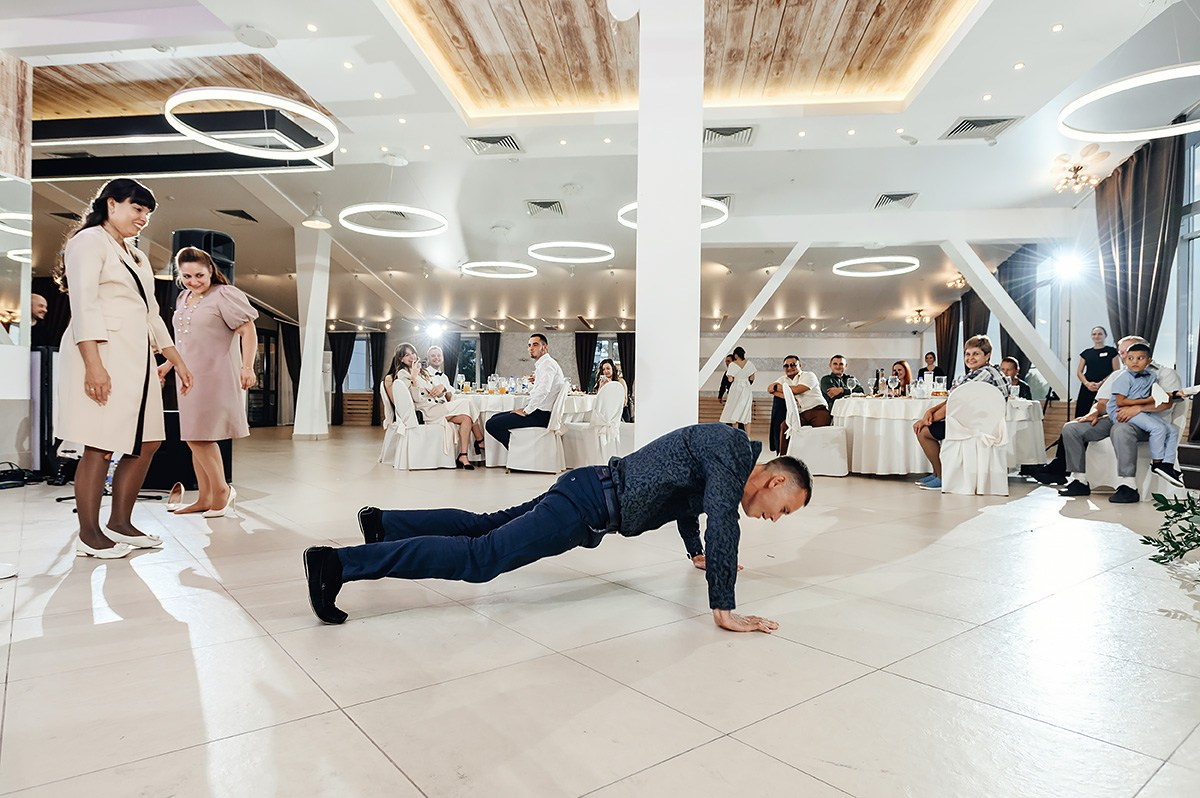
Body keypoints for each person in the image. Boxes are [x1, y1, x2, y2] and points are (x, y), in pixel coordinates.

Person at [304, 423, 812, 632]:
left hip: (588, 490)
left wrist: (694, 554)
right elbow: (722, 516)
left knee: (484, 528)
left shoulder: (726, 459)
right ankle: (337, 563)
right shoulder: (730, 451)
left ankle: (382, 525)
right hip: (586, 504)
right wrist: (723, 605)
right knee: (481, 560)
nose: (776, 519)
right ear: (773, 481)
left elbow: (691, 504)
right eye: (785, 509)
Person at [53, 178, 193, 558]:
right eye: (137, 208)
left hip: (138, 359)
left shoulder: (136, 255)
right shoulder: (87, 242)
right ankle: (89, 534)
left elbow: (150, 310)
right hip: (102, 353)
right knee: (98, 444)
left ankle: (120, 522)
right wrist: (93, 365)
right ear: (111, 204)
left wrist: (175, 357)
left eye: (147, 212)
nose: (143, 218)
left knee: (148, 440)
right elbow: (84, 305)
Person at [157, 246, 257, 516]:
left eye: (199, 275)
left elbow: (248, 331)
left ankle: (221, 491)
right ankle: (204, 496)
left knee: (199, 437)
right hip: (187, 377)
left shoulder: (224, 295)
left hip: (215, 374)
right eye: (187, 276)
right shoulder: (183, 297)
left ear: (211, 270)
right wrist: (167, 366)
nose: (193, 281)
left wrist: (248, 366)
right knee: (193, 434)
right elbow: (184, 342)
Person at [1056, 335, 1183, 500]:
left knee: (1121, 428)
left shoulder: (1165, 374)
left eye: (1128, 352)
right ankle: (1079, 481)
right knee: (1072, 428)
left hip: (1149, 424)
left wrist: (1137, 408)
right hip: (1115, 417)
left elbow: (1167, 403)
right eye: (1122, 353)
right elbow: (1102, 402)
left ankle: (1128, 485)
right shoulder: (1118, 375)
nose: (1124, 357)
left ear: (1146, 354)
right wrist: (1093, 413)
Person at [911, 335, 1008, 491]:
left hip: (973, 427)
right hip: (987, 425)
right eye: (967, 354)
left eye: (976, 354)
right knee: (930, 425)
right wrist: (930, 411)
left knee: (923, 432)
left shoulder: (981, 375)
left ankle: (942, 476)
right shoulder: (991, 371)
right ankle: (937, 473)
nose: (970, 358)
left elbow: (955, 405)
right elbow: (954, 399)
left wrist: (926, 420)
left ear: (987, 356)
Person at [396, 342, 485, 469]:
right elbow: (416, 398)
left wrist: (439, 390)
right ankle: (480, 440)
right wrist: (414, 378)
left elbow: (436, 393)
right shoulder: (403, 374)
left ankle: (463, 455)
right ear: (401, 359)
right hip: (428, 412)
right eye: (406, 355)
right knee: (468, 402)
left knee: (466, 418)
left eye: (413, 353)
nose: (412, 357)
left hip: (438, 407)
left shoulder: (422, 372)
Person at [1107, 343, 1183, 486]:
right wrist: (1149, 400)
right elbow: (1121, 401)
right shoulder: (1123, 377)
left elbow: (1158, 395)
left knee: (1172, 430)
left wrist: (1175, 394)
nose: (1135, 362)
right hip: (1121, 411)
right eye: (1130, 358)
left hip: (1138, 410)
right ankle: (1157, 463)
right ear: (1125, 361)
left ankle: (1167, 465)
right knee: (1158, 428)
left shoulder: (1152, 376)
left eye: (1140, 358)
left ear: (1149, 361)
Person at [485, 334, 566, 450]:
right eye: (529, 345)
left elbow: (544, 391)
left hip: (542, 415)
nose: (531, 348)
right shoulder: (544, 364)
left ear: (545, 347)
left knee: (491, 424)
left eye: (535, 345)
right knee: (495, 417)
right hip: (540, 412)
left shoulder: (547, 364)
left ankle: (518, 451)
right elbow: (542, 388)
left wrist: (526, 411)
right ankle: (518, 450)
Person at [1076, 326, 1119, 415]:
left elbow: (1116, 371)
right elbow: (1079, 372)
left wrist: (1101, 383)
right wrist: (1087, 384)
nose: (1097, 336)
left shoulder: (1112, 351)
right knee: (1082, 411)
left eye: (1100, 334)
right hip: (1088, 385)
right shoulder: (1086, 353)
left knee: (1102, 411)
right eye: (1094, 334)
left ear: (1105, 336)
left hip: (1105, 385)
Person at [718, 347, 756, 430]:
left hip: (736, 388)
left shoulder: (733, 364)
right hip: (746, 388)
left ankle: (735, 435)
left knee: (734, 411)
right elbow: (752, 378)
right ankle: (748, 437)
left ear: (736, 354)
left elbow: (730, 379)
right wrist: (746, 383)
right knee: (747, 414)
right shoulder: (749, 364)